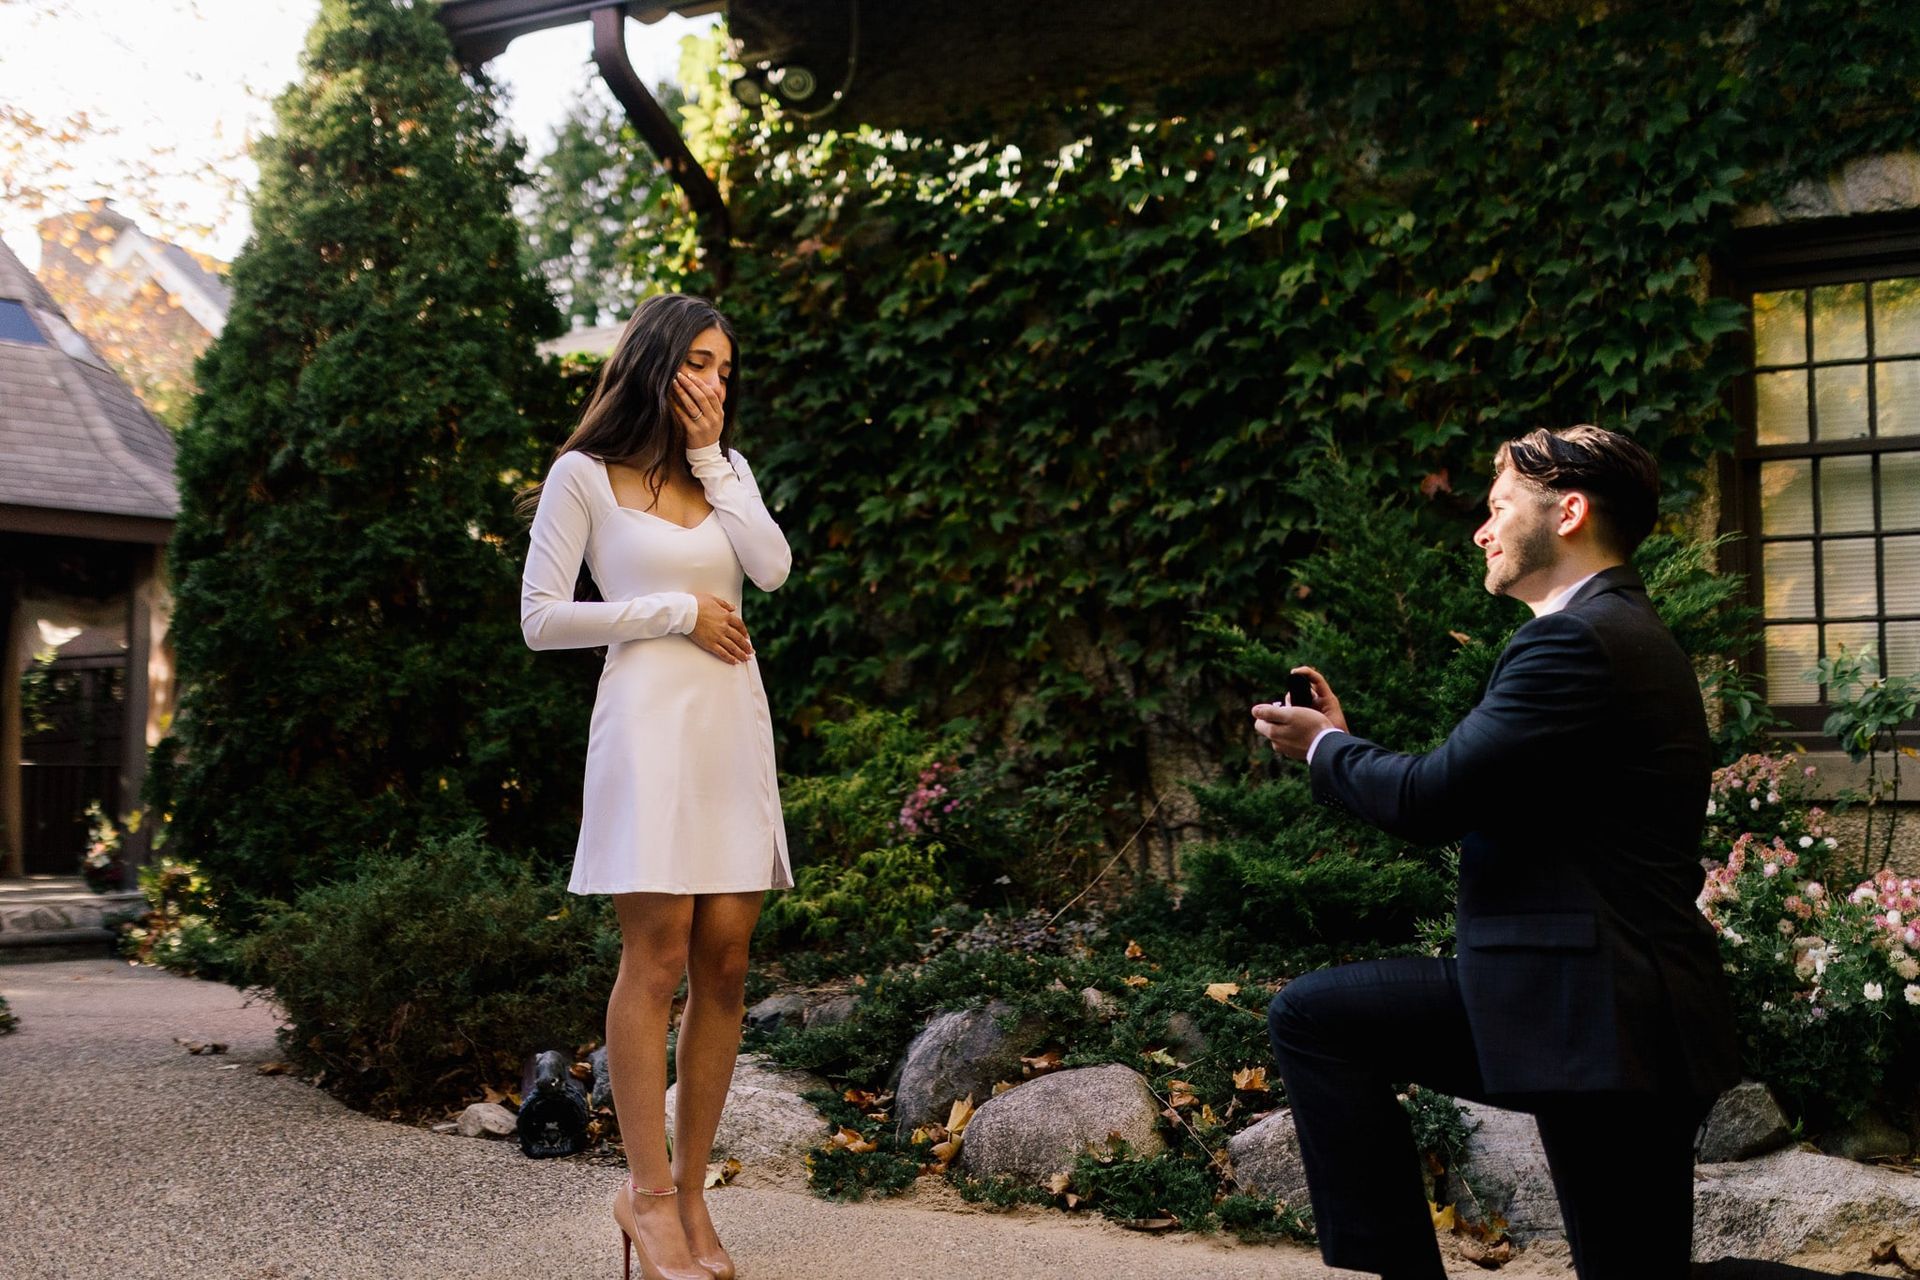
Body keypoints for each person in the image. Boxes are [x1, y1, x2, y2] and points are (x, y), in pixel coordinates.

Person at [1250, 425, 1739, 1280]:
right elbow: (1469, 786)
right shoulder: (1613, 631)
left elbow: (1432, 799)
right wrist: (1345, 743)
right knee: (1319, 1017)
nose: (1482, 529)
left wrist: (1325, 751)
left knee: (1316, 1018)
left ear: (1572, 513)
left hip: (1598, 1016)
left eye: (1500, 507)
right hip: (1585, 1005)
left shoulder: (1575, 642)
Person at [520, 293, 792, 1280]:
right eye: (702, 364)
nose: (716, 382)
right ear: (658, 363)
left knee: (725, 957)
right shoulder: (581, 475)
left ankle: (689, 1195)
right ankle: (643, 1193)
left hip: (730, 726)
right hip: (644, 726)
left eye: (727, 368)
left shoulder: (730, 473)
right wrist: (672, 608)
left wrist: (719, 459)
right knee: (661, 948)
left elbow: (772, 566)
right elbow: (542, 618)